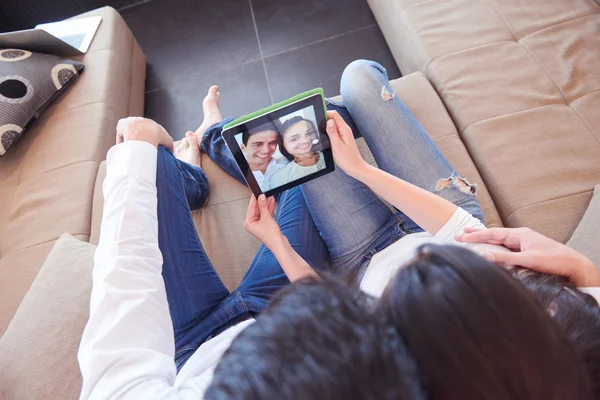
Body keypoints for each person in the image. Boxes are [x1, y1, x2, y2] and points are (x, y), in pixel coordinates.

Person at [266, 116, 326, 190]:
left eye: (309, 133)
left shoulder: (330, 156)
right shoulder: (281, 176)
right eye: (294, 139)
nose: (305, 140)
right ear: (283, 144)